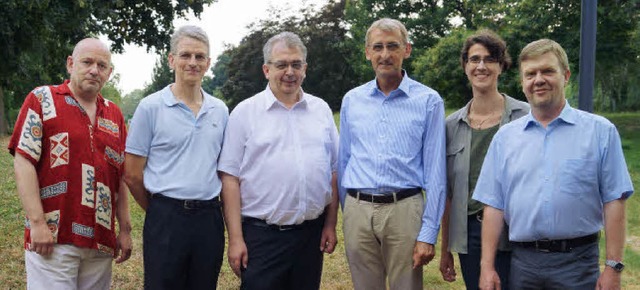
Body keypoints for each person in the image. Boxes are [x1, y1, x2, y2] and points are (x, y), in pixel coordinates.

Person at [474, 39, 634, 289]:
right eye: (530, 74)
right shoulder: (505, 138)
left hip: (578, 265)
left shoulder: (600, 132)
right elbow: (493, 205)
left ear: (566, 75)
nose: (538, 79)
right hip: (523, 265)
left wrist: (613, 267)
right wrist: (487, 267)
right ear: (523, 82)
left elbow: (614, 201)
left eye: (547, 71)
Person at [218, 31, 339, 290]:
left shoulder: (321, 110)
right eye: (281, 64)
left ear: (305, 69)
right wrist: (236, 239)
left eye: (296, 64)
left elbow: (334, 170)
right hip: (262, 237)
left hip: (310, 236)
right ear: (266, 69)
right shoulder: (245, 113)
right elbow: (229, 178)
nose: (289, 72)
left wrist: (330, 224)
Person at [8, 38, 132, 289]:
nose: (94, 70)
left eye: (102, 65)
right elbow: (24, 162)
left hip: (100, 241)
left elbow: (121, 175)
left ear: (109, 72)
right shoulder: (42, 100)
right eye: (87, 62)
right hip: (54, 237)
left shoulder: (114, 114)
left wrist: (125, 230)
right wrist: (38, 223)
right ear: (70, 63)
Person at [338, 18, 446, 290]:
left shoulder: (429, 101)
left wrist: (429, 233)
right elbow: (344, 160)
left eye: (392, 46)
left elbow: (436, 171)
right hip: (358, 210)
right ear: (367, 52)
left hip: (404, 210)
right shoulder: (352, 100)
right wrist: (349, 211)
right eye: (378, 47)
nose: (385, 54)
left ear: (406, 50)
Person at [124, 25, 228, 289]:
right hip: (166, 216)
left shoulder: (221, 111)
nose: (192, 62)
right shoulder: (150, 107)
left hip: (209, 218)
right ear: (171, 60)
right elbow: (132, 174)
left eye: (199, 57)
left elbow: (225, 169)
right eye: (185, 55)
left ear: (208, 63)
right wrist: (160, 210)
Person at [439, 30, 529, 289]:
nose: (481, 66)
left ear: (501, 66)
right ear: (465, 66)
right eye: (474, 59)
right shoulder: (451, 126)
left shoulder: (526, 117)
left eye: (489, 59)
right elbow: (448, 193)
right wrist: (445, 248)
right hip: (470, 235)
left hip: (517, 231)